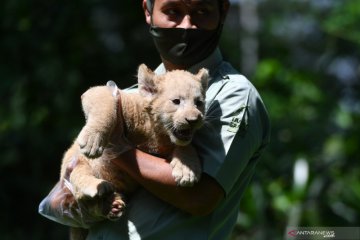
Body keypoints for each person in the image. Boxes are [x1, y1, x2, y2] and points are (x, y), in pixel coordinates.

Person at [40, 0, 270, 239]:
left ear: (223, 11)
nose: (187, 26)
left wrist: (116, 147)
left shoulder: (233, 94)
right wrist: (75, 192)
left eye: (202, 11)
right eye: (173, 11)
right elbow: (63, 203)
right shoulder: (138, 92)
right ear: (148, 13)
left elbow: (200, 197)